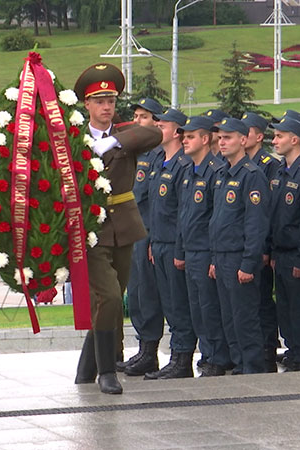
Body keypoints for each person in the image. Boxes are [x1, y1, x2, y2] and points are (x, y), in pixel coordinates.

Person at [72, 63, 162, 394]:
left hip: (124, 225)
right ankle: (106, 370)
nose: (106, 107)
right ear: (87, 104)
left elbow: (154, 132)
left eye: (110, 99)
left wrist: (113, 144)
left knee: (111, 298)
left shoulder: (124, 135)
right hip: (91, 229)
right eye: (99, 101)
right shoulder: (74, 137)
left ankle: (85, 368)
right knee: (108, 298)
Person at [208, 117, 270, 374]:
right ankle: (238, 364)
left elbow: (255, 225)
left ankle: (252, 368)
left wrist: (248, 262)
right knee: (229, 318)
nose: (222, 142)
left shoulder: (251, 176)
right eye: (220, 138)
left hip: (238, 258)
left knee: (245, 318)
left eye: (228, 137)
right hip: (221, 257)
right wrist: (214, 258)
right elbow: (218, 219)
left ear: (243, 140)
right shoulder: (222, 173)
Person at [175, 116, 230, 376]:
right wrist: (181, 250)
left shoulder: (217, 171)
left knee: (209, 308)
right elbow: (184, 214)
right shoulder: (188, 170)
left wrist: (213, 257)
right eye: (183, 137)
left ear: (206, 139)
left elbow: (215, 218)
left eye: (190, 136)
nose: (184, 141)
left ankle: (218, 358)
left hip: (207, 250)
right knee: (197, 308)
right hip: (191, 249)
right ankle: (208, 354)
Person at [144, 108, 196, 380]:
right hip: (159, 242)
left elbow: (182, 213)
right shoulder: (159, 162)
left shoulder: (184, 165)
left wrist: (179, 248)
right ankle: (175, 355)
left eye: (162, 126)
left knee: (179, 304)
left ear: (177, 132)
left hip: (175, 244)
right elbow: (156, 209)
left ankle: (182, 358)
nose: (157, 130)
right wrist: (153, 241)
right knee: (168, 303)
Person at [121, 98, 165, 376]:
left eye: (144, 117)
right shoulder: (135, 154)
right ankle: (143, 349)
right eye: (136, 116)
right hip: (132, 232)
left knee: (149, 295)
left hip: (149, 233)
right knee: (136, 294)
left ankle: (151, 350)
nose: (138, 121)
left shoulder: (161, 156)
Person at [269, 118, 300, 371]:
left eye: (279, 136)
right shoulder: (281, 170)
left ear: (295, 139)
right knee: (285, 309)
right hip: (281, 252)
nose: (274, 141)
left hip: (297, 254)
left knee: (299, 309)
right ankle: (293, 350)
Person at [242, 111, 280, 372]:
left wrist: (265, 248)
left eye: (247, 132)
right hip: (250, 247)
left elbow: (267, 212)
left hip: (262, 247)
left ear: (258, 136)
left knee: (263, 299)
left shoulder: (267, 164)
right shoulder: (243, 165)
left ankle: (268, 346)